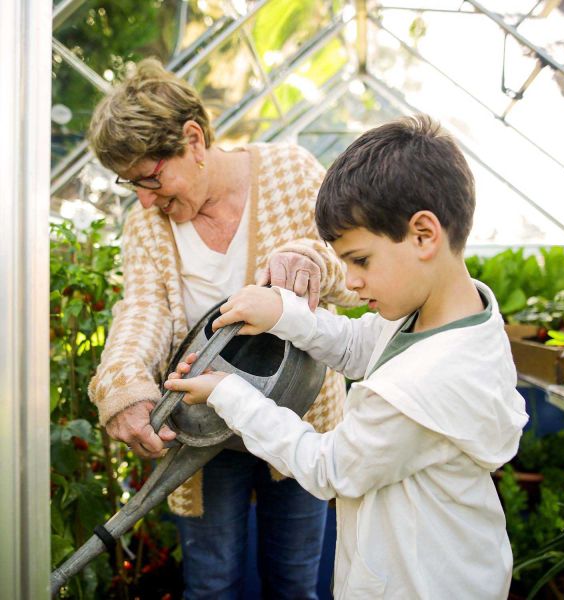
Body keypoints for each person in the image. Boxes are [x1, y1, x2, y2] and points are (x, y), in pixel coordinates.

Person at [164, 115, 530, 599]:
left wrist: (228, 393)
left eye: (360, 260)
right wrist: (281, 313)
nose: (351, 282)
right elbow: (359, 347)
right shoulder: (447, 316)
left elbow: (328, 466)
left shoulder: (422, 386)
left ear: (424, 234)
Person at [87, 58, 357, 599]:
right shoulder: (146, 223)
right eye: (131, 185)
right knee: (210, 585)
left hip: (298, 418)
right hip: (205, 430)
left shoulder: (290, 172)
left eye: (150, 178)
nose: (144, 200)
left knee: (296, 583)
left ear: (193, 139)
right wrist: (122, 384)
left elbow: (350, 272)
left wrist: (309, 260)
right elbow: (143, 309)